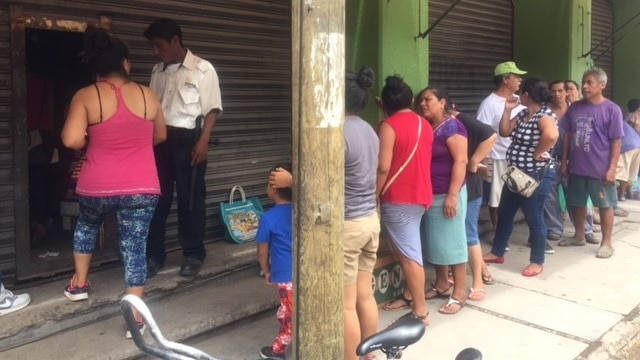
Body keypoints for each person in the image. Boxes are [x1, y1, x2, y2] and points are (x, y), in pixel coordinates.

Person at [61, 27, 166, 337]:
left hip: (98, 186)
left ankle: (79, 284)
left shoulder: (86, 95)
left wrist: (91, 138)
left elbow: (70, 140)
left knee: (87, 225)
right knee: (135, 247)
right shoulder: (148, 94)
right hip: (142, 186)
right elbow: (159, 135)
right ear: (126, 63)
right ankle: (135, 318)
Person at [143, 18, 223, 278]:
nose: (156, 52)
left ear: (175, 41)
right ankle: (154, 254)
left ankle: (193, 253)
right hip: (161, 142)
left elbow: (212, 109)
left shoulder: (202, 69)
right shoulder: (157, 71)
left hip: (189, 141)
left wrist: (203, 142)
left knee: (191, 198)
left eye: (159, 46)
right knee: (158, 199)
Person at [483, 78, 558, 277]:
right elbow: (505, 131)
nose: (518, 96)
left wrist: (537, 153)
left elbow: (551, 135)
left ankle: (537, 261)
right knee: (505, 211)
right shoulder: (524, 113)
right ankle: (497, 252)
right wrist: (507, 110)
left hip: (536, 175)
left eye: (521, 93)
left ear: (527, 95)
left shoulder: (544, 115)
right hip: (517, 173)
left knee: (534, 216)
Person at [377, 76, 434, 325]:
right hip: (420, 195)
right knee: (410, 251)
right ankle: (412, 296)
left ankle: (420, 311)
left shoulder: (388, 126)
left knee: (410, 256)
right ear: (411, 100)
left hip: (398, 197)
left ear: (382, 103)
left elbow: (383, 167)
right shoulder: (425, 124)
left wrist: (373, 196)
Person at [558, 67, 624, 259]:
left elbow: (616, 141)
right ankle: (579, 235)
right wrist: (565, 162)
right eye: (584, 82)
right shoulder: (575, 107)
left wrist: (612, 169)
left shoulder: (612, 109)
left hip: (600, 169)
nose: (585, 86)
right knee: (577, 202)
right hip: (578, 166)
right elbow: (568, 136)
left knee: (604, 205)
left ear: (602, 85)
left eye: (590, 83)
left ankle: (607, 242)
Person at [416, 86, 468, 315]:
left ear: (443, 102)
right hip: (431, 194)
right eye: (421, 100)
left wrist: (452, 195)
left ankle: (460, 292)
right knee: (436, 242)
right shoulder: (428, 126)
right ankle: (441, 284)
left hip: (448, 194)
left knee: (453, 243)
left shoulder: (453, 127)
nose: (423, 104)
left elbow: (461, 161)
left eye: (429, 100)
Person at [342, 67, 380, 360]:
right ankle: (370, 355)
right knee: (365, 295)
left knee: (344, 304)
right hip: (370, 220)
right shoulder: (368, 129)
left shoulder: (337, 133)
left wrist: (291, 181)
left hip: (349, 226)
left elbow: (319, 182)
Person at [449, 105, 498, 299]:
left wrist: (474, 160)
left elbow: (491, 135)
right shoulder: (433, 123)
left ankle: (478, 280)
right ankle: (482, 270)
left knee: (469, 233)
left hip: (469, 185)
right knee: (456, 233)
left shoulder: (458, 117)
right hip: (452, 187)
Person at [543, 81, 599, 245]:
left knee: (577, 197)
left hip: (573, 161)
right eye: (553, 91)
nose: (557, 94)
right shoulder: (545, 111)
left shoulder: (575, 109)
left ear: (566, 92)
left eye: (561, 90)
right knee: (550, 196)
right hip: (550, 160)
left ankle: (586, 230)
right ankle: (554, 228)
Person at [477, 61, 527, 235]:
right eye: (516, 76)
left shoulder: (520, 101)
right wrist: (482, 161)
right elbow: (481, 133)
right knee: (495, 196)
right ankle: (498, 230)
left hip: (516, 158)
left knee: (520, 191)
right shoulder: (489, 103)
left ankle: (506, 229)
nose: (520, 79)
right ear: (505, 79)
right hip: (496, 157)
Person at [256, 163, 293, 360]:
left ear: (273, 188)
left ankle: (278, 351)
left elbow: (262, 251)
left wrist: (266, 270)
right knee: (293, 311)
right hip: (305, 273)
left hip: (285, 276)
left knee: (289, 316)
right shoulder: (301, 211)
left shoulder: (268, 217)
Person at [616, 99, 640, 203]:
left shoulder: (627, 117)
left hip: (627, 145)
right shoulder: (630, 117)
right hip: (637, 145)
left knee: (622, 172)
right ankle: (628, 191)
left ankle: (621, 195)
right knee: (630, 172)